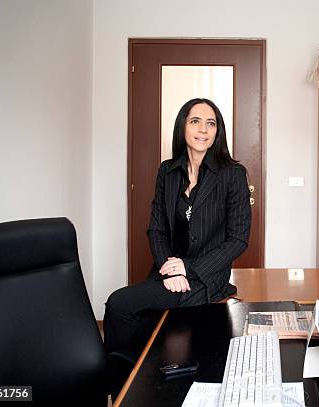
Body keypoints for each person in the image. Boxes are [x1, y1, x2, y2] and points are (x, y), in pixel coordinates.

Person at [103, 98, 251, 367]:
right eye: (195, 121)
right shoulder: (167, 171)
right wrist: (168, 268)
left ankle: (120, 383)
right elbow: (156, 228)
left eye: (211, 123)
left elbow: (238, 239)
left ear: (218, 131)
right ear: (183, 126)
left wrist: (188, 268)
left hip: (205, 278)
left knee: (119, 304)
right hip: (168, 273)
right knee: (141, 320)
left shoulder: (233, 174)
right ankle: (131, 381)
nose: (203, 130)